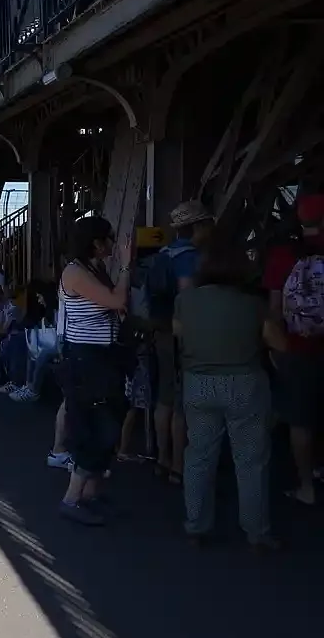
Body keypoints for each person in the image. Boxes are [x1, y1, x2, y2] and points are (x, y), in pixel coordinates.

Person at [174, 246, 282, 550]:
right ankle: (256, 532)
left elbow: (178, 333)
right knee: (251, 462)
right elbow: (277, 342)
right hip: (245, 384)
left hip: (198, 384)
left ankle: (196, 526)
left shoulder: (185, 301)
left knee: (198, 457)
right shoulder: (254, 303)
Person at [56, 215, 133, 526]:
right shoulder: (75, 272)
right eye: (108, 239)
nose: (112, 245)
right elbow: (116, 299)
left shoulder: (93, 269)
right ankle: (73, 498)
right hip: (87, 359)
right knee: (95, 426)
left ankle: (90, 494)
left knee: (108, 422)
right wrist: (127, 266)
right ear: (95, 242)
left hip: (102, 355)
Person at [263, 191, 324, 506]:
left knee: (300, 421)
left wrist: (277, 347)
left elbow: (275, 309)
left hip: (297, 347)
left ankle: (306, 486)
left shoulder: (284, 255)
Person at [148, 200, 213, 485]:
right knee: (181, 404)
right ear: (197, 226)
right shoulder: (188, 257)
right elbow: (188, 297)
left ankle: (162, 458)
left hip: (160, 332)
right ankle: (178, 465)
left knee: (164, 399)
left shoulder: (162, 255)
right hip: (181, 335)